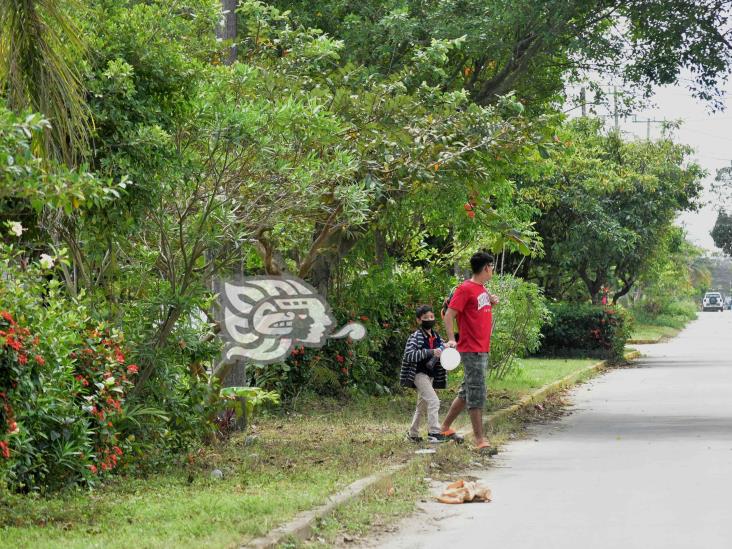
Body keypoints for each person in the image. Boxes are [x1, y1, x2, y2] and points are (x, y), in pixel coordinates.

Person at [440, 252, 499, 453]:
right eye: (491, 266)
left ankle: (445, 428)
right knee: (477, 392)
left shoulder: (480, 288)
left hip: (481, 348)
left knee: (466, 392)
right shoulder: (465, 289)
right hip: (471, 349)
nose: (493, 270)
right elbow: (449, 315)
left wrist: (491, 300)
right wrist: (451, 339)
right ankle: (480, 440)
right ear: (486, 268)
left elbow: (478, 307)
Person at [400, 305, 450, 443]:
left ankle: (413, 434)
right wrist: (431, 352)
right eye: (425, 318)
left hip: (431, 375)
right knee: (433, 401)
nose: (429, 319)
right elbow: (409, 355)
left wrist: (448, 347)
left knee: (421, 405)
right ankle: (434, 432)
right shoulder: (415, 337)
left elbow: (443, 351)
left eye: (432, 317)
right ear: (418, 320)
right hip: (418, 373)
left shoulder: (436, 337)